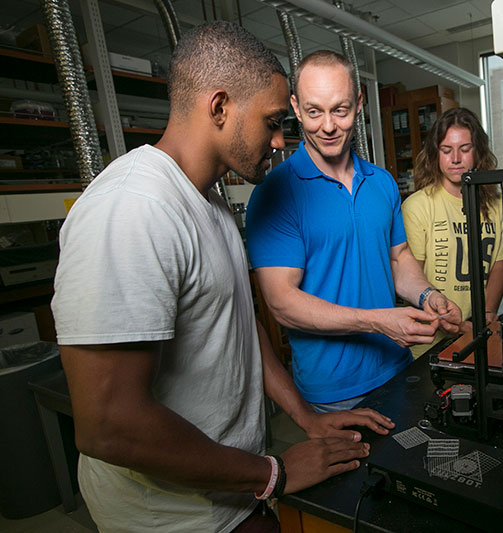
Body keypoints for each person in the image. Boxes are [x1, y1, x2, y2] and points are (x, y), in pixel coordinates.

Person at [51, 22, 394, 533]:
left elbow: (238, 327)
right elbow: (108, 426)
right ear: (219, 107)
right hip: (172, 519)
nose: (280, 141)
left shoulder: (208, 202)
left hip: (232, 492)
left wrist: (305, 416)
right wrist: (271, 473)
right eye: (274, 121)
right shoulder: (132, 209)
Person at [246, 51, 462, 412]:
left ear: (359, 103)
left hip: (397, 367)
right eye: (314, 112)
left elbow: (398, 257)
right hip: (333, 391)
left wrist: (427, 296)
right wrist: (379, 322)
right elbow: (282, 303)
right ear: (296, 108)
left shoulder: (382, 183)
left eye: (340, 110)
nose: (328, 126)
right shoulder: (276, 193)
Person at [402, 107, 503, 358]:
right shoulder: (417, 206)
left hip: (478, 333)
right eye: (446, 150)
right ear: (436, 154)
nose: (456, 158)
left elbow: (500, 264)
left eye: (464, 149)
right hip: (430, 342)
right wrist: (452, 323)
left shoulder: (496, 205)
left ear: (478, 152)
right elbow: (410, 278)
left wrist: (486, 314)